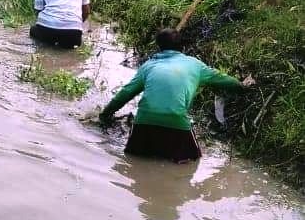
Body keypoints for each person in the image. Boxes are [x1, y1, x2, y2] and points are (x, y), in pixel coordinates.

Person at [99, 28, 250, 163]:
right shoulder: (195, 65)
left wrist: (105, 114)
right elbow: (223, 79)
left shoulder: (148, 66)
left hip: (144, 122)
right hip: (176, 122)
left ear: (159, 47)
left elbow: (126, 93)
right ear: (182, 47)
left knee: (135, 161)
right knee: (192, 162)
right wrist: (242, 86)